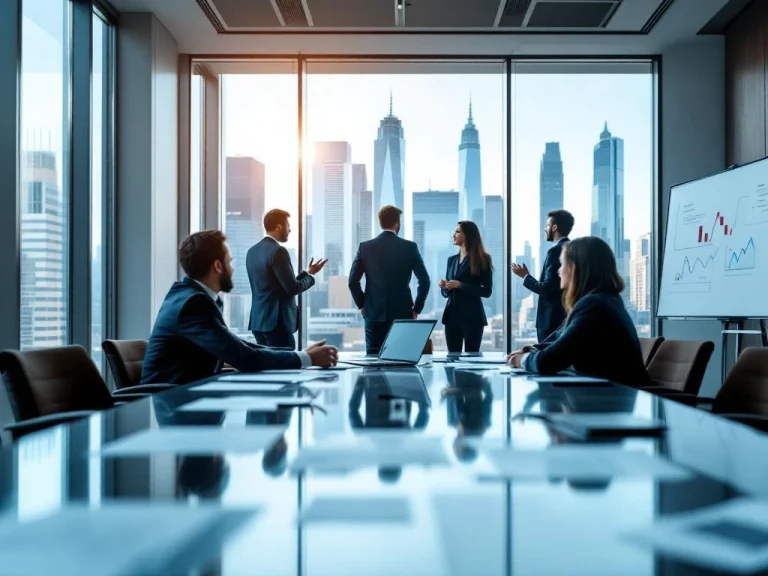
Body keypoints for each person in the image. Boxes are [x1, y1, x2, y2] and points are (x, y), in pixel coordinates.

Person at [141, 230, 338, 385]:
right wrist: (306, 358)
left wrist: (299, 355)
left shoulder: (193, 297)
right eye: (229, 262)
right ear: (218, 266)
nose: (233, 268)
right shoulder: (193, 304)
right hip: (168, 405)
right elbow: (243, 356)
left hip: (188, 396)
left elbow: (237, 346)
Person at [507, 236, 650, 388]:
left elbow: (548, 361)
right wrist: (532, 349)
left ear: (574, 269)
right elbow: (558, 339)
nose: (559, 271)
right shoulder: (601, 301)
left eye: (562, 264)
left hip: (611, 398)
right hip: (608, 395)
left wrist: (520, 360)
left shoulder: (594, 306)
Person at [348, 205, 430, 354]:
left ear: (380, 223)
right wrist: (417, 309)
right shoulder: (410, 247)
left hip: (373, 313)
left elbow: (352, 282)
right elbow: (424, 281)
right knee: (402, 358)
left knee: (373, 359)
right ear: (397, 223)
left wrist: (363, 305)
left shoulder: (365, 247)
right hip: (402, 313)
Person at [247, 209, 327, 349]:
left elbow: (278, 284)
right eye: (288, 226)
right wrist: (311, 278)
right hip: (277, 324)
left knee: (265, 362)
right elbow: (292, 288)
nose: (290, 230)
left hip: (259, 323)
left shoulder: (252, 251)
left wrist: (307, 272)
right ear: (279, 227)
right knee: (285, 361)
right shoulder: (279, 251)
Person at [512, 209, 574, 342]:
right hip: (565, 316)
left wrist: (525, 276)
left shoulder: (555, 251)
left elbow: (547, 289)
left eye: (547, 225)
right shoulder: (572, 248)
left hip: (550, 321)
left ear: (554, 228)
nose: (545, 229)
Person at [439, 221, 493, 353]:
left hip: (472, 317)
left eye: (457, 232)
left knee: (472, 358)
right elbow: (446, 294)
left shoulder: (483, 259)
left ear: (468, 235)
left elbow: (487, 291)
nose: (453, 235)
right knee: (452, 358)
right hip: (451, 317)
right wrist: (445, 286)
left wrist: (461, 285)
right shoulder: (451, 260)